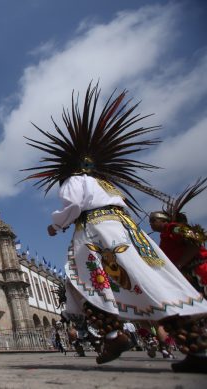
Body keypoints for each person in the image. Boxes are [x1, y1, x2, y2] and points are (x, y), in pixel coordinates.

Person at [23, 83, 207, 373]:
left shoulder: (74, 180)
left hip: (98, 232)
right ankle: (196, 348)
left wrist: (55, 225)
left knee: (79, 281)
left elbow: (72, 206)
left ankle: (112, 335)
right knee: (153, 283)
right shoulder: (106, 184)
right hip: (127, 232)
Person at [149, 178, 207, 297]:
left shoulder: (173, 228)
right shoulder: (165, 235)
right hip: (189, 273)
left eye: (153, 220)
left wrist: (179, 264)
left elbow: (196, 239)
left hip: (200, 269)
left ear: (164, 221)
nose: (151, 224)